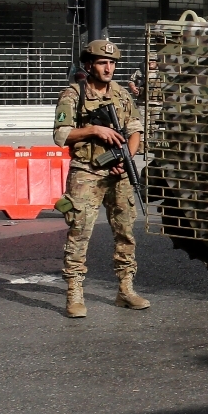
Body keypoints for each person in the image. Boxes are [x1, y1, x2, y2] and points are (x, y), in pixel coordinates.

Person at [55, 39, 148, 318]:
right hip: (86, 171)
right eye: (102, 63)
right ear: (89, 65)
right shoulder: (73, 94)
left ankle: (126, 289)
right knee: (80, 231)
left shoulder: (121, 94)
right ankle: (74, 292)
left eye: (112, 63)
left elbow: (135, 131)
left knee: (125, 231)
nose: (109, 68)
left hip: (117, 172)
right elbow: (61, 135)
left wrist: (125, 159)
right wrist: (94, 130)